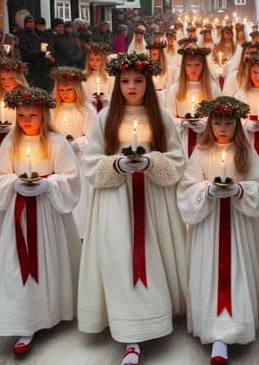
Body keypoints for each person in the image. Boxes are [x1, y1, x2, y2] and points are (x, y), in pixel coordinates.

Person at [78, 53, 189, 365]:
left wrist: (151, 161)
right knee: (120, 256)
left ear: (148, 83)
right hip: (116, 200)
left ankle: (157, 312)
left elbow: (177, 158)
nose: (131, 86)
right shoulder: (106, 118)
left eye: (138, 81)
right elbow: (91, 160)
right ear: (117, 83)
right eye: (125, 81)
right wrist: (117, 163)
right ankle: (128, 329)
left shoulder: (161, 116)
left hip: (153, 198)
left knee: (155, 253)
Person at [0, 88, 81, 355]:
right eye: (21, 116)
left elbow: (70, 176)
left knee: (48, 260)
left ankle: (51, 308)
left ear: (44, 116)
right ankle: (23, 318)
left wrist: (49, 184)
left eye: (33, 115)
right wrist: (13, 182)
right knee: (18, 264)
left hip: (47, 214)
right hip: (18, 216)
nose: (26, 121)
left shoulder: (55, 142)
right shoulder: (10, 144)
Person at [177, 97, 259, 365]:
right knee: (211, 271)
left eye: (228, 123)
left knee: (238, 271)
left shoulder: (246, 152)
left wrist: (239, 189)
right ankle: (214, 331)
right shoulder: (202, 152)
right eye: (217, 122)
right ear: (209, 124)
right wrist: (206, 189)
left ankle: (236, 326)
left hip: (240, 227)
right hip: (210, 225)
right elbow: (186, 187)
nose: (222, 128)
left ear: (237, 124)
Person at [49, 66, 97, 236]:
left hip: (78, 160)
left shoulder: (85, 110)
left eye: (69, 89)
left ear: (77, 89)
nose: (65, 94)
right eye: (61, 90)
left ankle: (80, 229)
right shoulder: (53, 109)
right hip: (58, 159)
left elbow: (93, 137)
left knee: (79, 192)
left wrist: (76, 144)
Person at [164, 46, 222, 157]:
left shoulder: (212, 88)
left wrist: (205, 124)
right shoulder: (175, 89)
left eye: (197, 65)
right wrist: (182, 123)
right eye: (189, 65)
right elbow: (169, 117)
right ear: (184, 67)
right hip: (182, 138)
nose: (193, 69)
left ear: (203, 66)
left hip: (205, 138)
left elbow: (219, 115)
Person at [83, 42, 114, 112]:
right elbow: (83, 96)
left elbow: (112, 95)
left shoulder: (109, 77)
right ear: (88, 61)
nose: (94, 62)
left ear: (102, 60)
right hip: (89, 111)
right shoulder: (84, 77)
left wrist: (103, 99)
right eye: (91, 59)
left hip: (105, 110)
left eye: (97, 59)